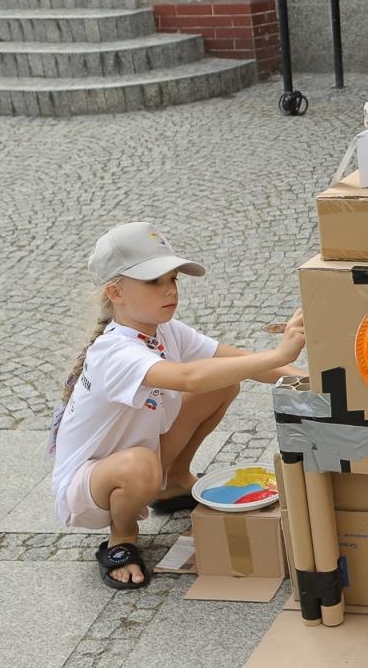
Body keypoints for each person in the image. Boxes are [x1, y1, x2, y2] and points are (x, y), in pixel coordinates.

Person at [50, 222, 306, 590]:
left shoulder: (165, 329)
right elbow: (189, 379)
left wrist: (318, 383)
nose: (170, 289)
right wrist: (279, 351)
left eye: (173, 279)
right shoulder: (113, 351)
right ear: (115, 292)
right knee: (141, 464)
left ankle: (172, 483)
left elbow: (235, 362)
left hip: (141, 458)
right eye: (154, 282)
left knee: (223, 383)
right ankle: (122, 535)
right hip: (89, 490)